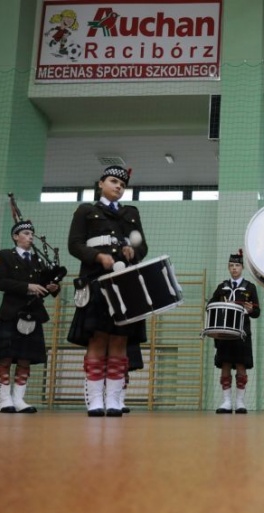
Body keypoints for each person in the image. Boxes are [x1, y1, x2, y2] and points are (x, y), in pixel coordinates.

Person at [68, 165, 147, 417]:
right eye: (113, 181)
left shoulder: (131, 213)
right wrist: (97, 256)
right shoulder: (86, 210)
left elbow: (142, 246)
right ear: (101, 183)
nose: (118, 187)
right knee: (98, 338)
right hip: (95, 280)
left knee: (120, 340)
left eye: (122, 185)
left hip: (125, 283)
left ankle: (113, 399)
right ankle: (94, 400)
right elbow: (74, 244)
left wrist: (133, 252)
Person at [0, 220, 60, 413]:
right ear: (15, 236)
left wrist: (53, 287)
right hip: (11, 313)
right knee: (5, 357)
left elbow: (47, 285)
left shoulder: (38, 260)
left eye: (32, 234)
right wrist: (27, 287)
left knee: (25, 359)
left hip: (33, 313)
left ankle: (19, 399)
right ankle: (4, 400)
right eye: (26, 234)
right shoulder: (4, 255)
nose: (30, 237)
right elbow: (0, 282)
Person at [209, 250, 260, 414]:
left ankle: (239, 402)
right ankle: (226, 401)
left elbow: (257, 312)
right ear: (228, 268)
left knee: (240, 364)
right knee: (224, 363)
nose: (234, 268)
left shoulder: (250, 287)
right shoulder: (221, 287)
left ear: (242, 267)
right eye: (231, 265)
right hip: (224, 332)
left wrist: (251, 309)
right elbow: (209, 306)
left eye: (237, 265)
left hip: (242, 332)